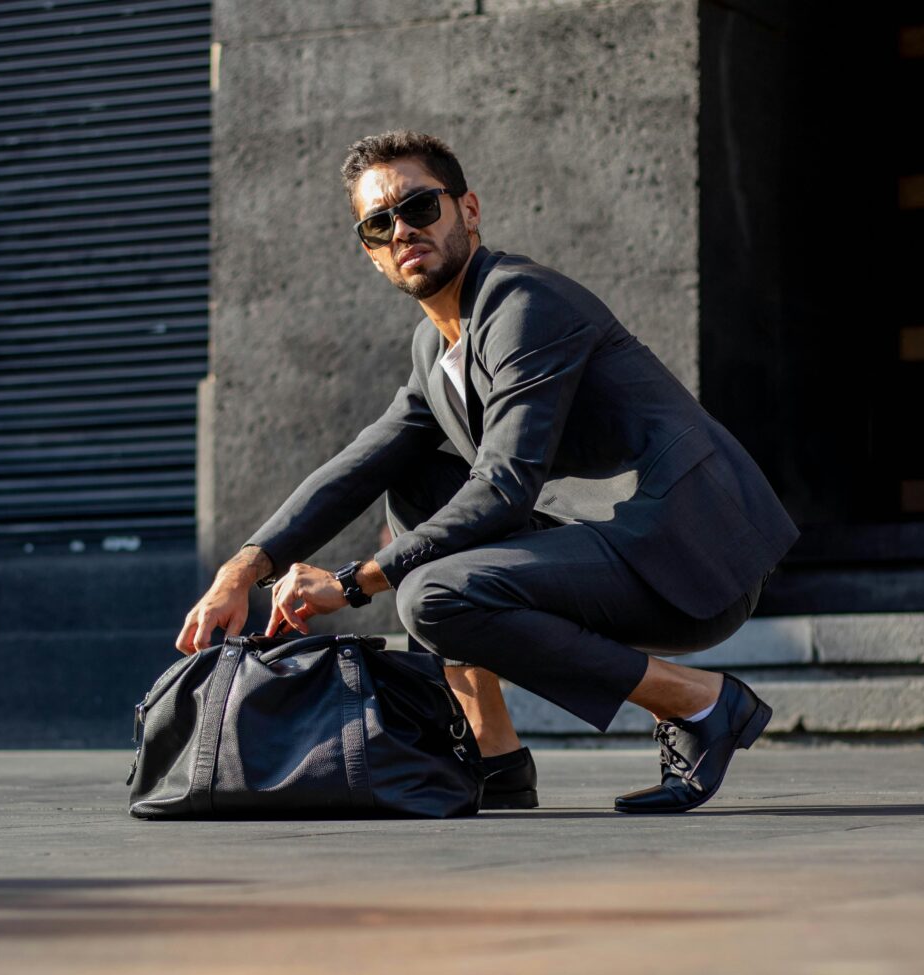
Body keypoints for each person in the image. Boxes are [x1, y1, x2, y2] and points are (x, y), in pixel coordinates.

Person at [175, 129, 800, 814]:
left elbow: (504, 488)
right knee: (411, 482)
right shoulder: (436, 344)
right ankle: (494, 756)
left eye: (419, 208)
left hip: (687, 547)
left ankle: (700, 702)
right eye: (379, 224)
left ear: (467, 210)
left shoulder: (524, 302)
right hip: (604, 543)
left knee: (432, 595)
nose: (402, 231)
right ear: (371, 254)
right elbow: (357, 465)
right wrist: (240, 571)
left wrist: (354, 584)